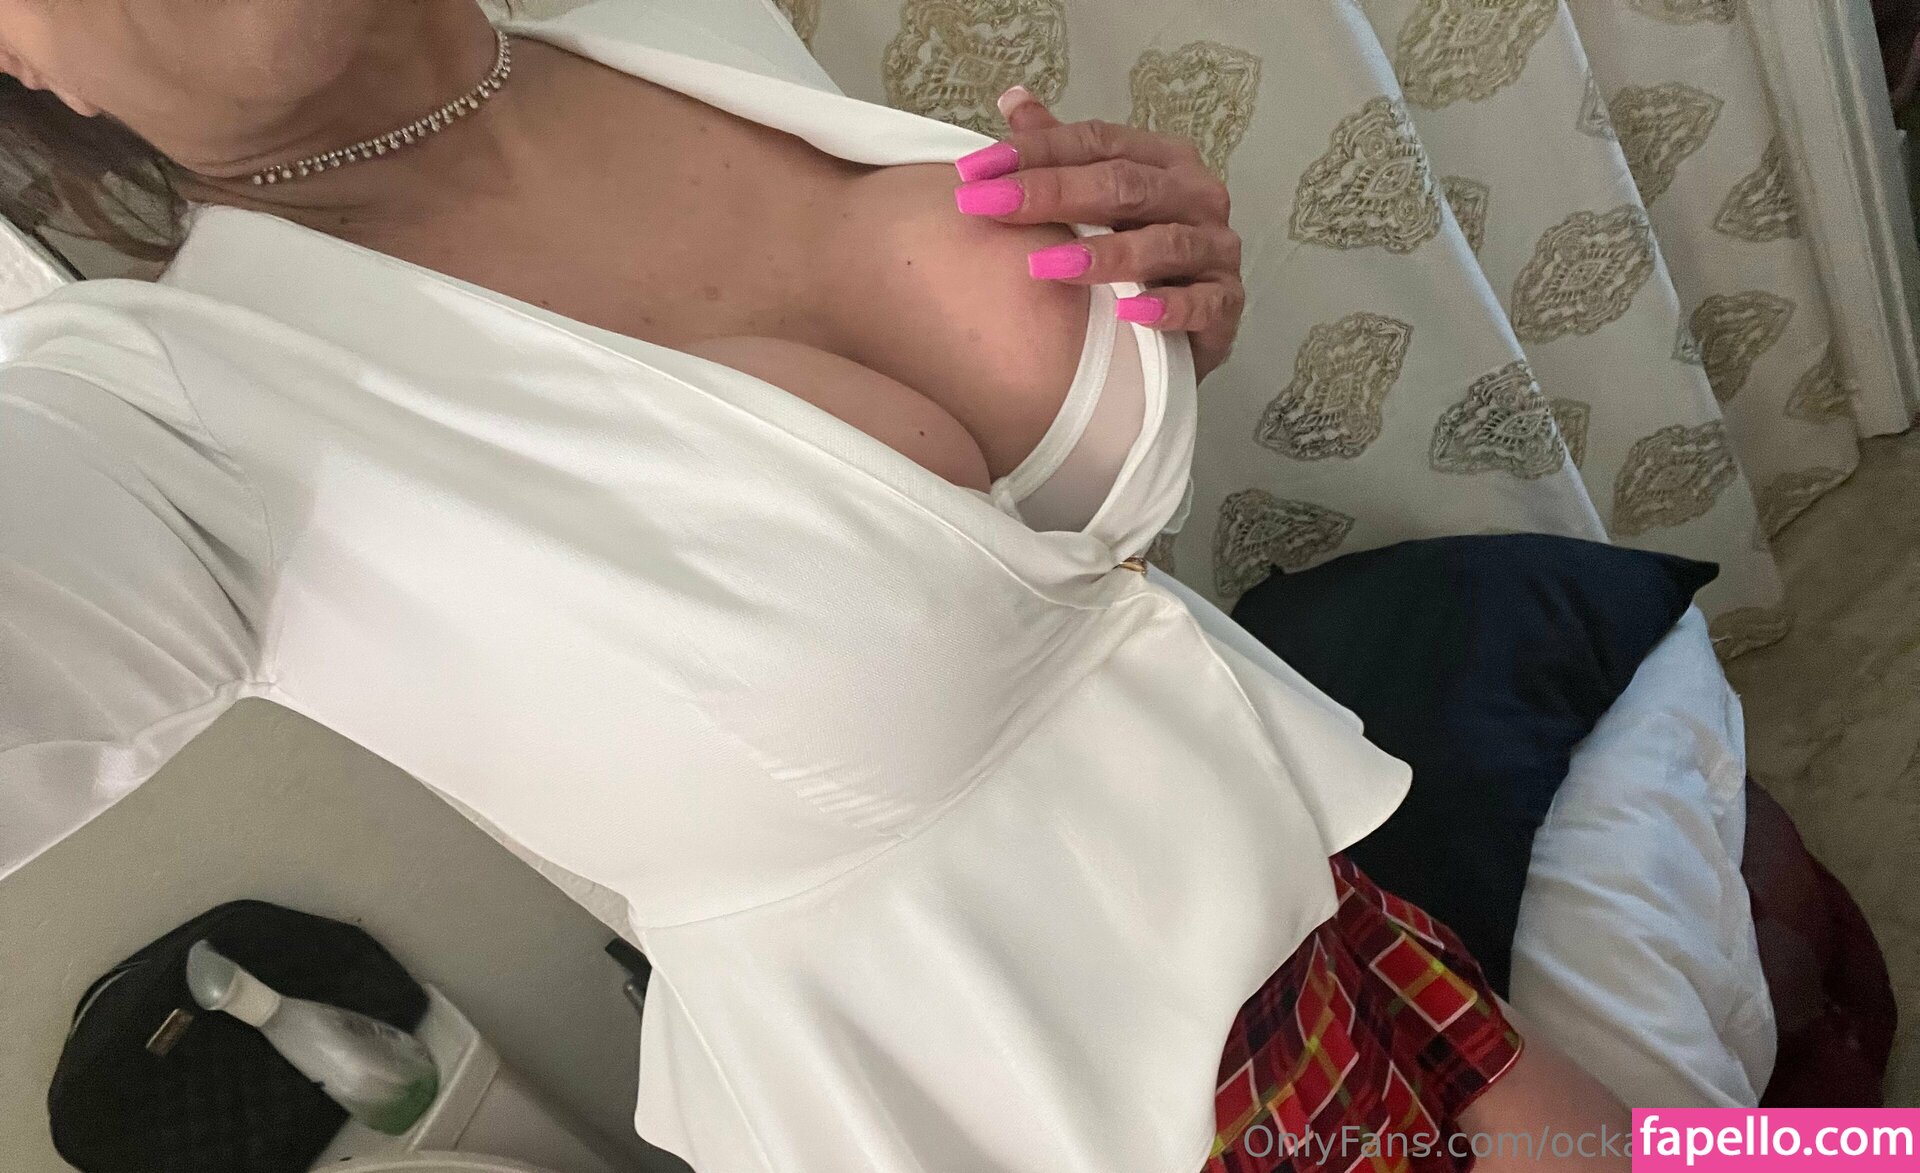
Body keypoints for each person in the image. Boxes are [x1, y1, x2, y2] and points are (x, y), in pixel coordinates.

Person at [0, 2, 1630, 1170]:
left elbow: (996, 570)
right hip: (1047, 1112)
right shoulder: (150, 421)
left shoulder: (659, 26)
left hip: (1331, 925)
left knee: (1733, 1150)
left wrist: (1169, 297)